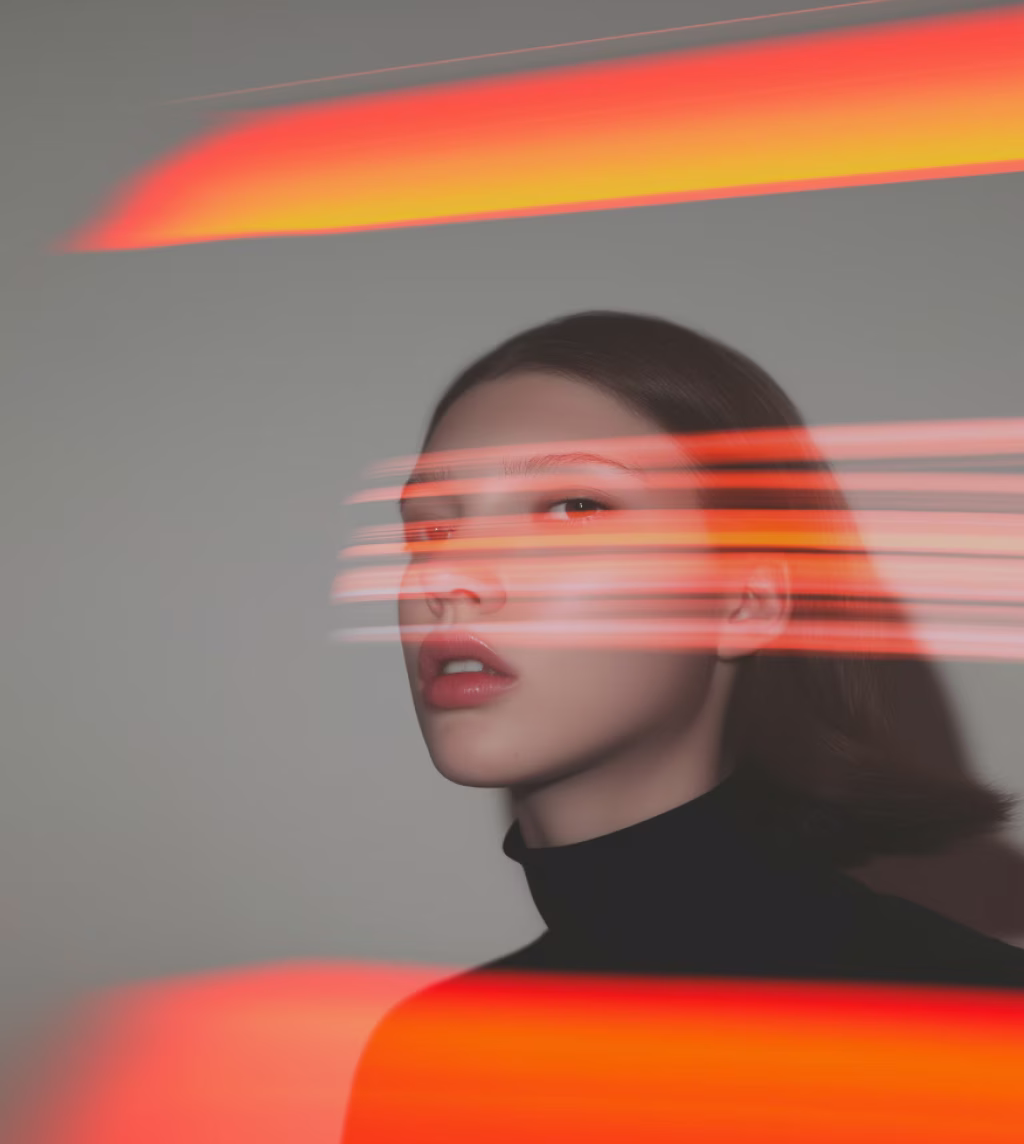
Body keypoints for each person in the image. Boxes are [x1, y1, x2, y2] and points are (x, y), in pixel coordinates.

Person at [340, 310, 1024, 1143]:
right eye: (432, 527)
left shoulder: (978, 1038)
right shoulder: (431, 1059)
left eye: (571, 506)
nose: (449, 574)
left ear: (747, 601)